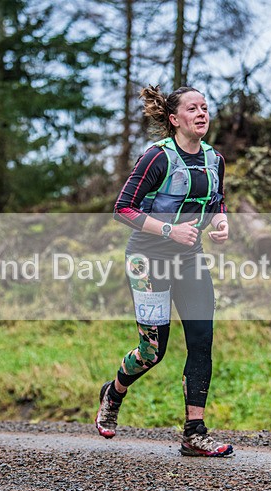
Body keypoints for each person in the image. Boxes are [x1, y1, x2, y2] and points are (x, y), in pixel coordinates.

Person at [95, 85, 233, 457]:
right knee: (153, 351)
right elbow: (122, 208)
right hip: (148, 261)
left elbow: (216, 200)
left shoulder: (214, 159)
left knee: (202, 341)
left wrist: (221, 223)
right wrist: (169, 229)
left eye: (205, 107)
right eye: (193, 108)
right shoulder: (157, 158)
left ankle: (194, 432)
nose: (202, 114)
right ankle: (115, 391)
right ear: (174, 120)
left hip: (190, 260)